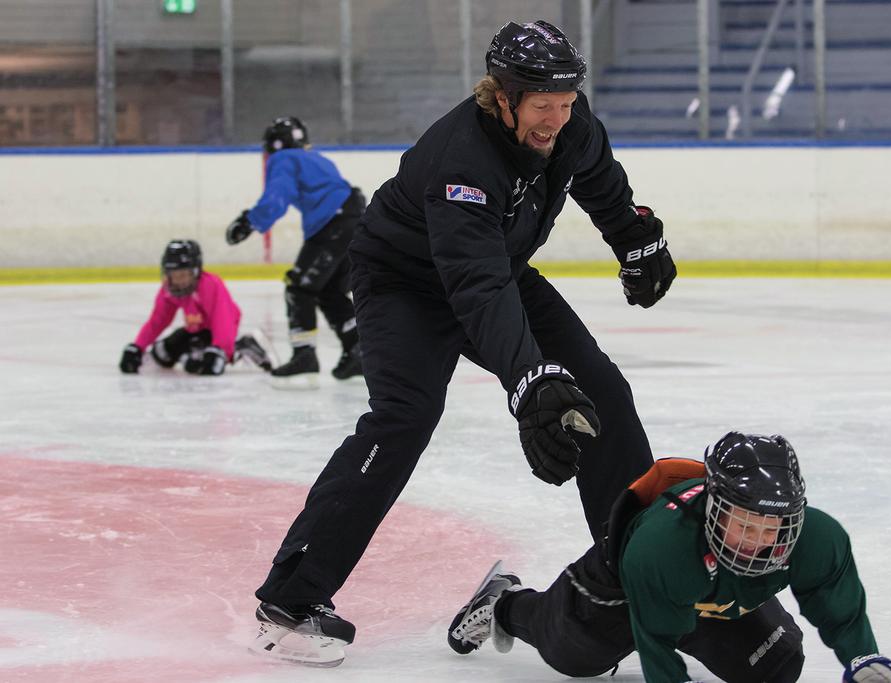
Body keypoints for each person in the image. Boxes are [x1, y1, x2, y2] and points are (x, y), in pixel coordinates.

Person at [248, 20, 677, 666]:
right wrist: (530, 381)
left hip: (496, 269)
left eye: (564, 104)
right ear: (502, 97)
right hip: (405, 283)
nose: (555, 120)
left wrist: (634, 239)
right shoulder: (463, 160)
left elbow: (597, 178)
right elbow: (475, 289)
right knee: (405, 416)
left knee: (601, 389)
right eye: (542, 107)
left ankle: (638, 577)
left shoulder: (570, 122)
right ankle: (289, 598)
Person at [446, 431, 891, 683]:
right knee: (574, 658)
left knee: (776, 667)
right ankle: (505, 602)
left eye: (772, 527)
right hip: (627, 588)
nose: (758, 540)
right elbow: (658, 651)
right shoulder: (661, 549)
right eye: (745, 523)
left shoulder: (817, 538)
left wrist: (864, 660)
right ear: (714, 507)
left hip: (707, 596)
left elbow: (841, 612)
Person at [225, 116, 366, 388]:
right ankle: (357, 350)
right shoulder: (317, 159)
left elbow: (277, 198)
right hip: (355, 223)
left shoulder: (284, 159)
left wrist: (249, 222)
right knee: (329, 291)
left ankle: (305, 355)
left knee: (299, 289)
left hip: (332, 226)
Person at [118, 239, 271, 375]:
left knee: (201, 365)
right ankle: (195, 353)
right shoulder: (169, 289)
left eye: (183, 275)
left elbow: (223, 320)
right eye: (174, 275)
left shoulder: (210, 285)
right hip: (195, 330)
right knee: (162, 355)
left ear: (196, 272)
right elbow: (158, 320)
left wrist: (220, 350)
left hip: (218, 332)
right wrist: (138, 346)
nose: (178, 281)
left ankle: (240, 346)